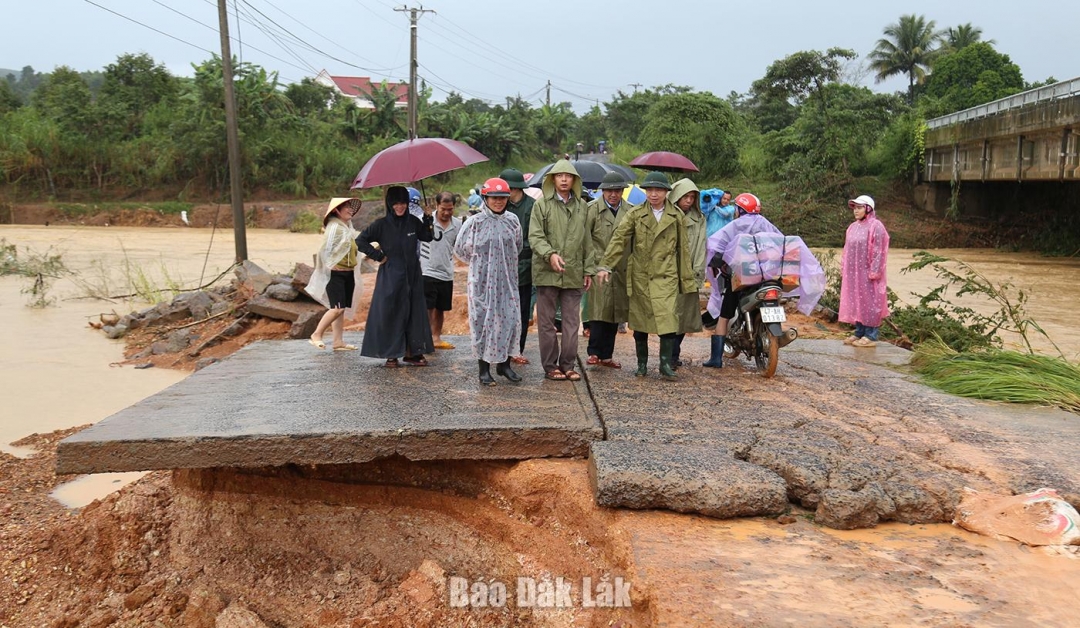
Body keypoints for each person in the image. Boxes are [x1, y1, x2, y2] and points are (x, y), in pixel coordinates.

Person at [596, 171, 695, 380]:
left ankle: (665, 364)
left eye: (658, 190)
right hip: (641, 275)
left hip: (666, 276)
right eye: (649, 190)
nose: (653, 194)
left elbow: (684, 251)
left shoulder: (676, 216)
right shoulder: (635, 214)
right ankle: (641, 364)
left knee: (668, 320)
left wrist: (686, 281)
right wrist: (605, 265)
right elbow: (619, 239)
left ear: (666, 192)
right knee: (640, 322)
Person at [454, 178, 524, 385]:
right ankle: (483, 368)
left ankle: (505, 365)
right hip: (482, 282)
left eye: (502, 198)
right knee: (482, 321)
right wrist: (480, 264)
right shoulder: (474, 223)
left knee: (509, 320)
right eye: (494, 198)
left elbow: (517, 246)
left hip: (508, 280)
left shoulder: (513, 220)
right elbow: (460, 250)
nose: (498, 202)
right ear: (485, 198)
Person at [529, 159, 594, 382]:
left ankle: (568, 364)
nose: (564, 179)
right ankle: (550, 366)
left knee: (571, 323)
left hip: (574, 271)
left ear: (574, 180)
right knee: (546, 323)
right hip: (547, 272)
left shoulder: (582, 206)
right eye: (559, 176)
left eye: (568, 176)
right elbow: (535, 236)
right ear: (552, 179)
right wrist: (550, 254)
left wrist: (588, 269)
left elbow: (587, 241)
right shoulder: (542, 205)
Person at [356, 185, 435, 367]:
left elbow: (427, 237)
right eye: (396, 204)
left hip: (413, 274)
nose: (400, 207)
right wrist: (378, 256)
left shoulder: (413, 222)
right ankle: (391, 354)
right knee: (392, 311)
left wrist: (428, 218)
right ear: (390, 204)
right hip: (391, 275)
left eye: (403, 203)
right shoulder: (381, 225)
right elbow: (360, 241)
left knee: (414, 312)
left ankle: (413, 353)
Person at [702, 193, 782, 368]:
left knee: (724, 315)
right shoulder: (767, 224)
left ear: (739, 210)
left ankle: (716, 359)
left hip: (741, 280)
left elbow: (716, 246)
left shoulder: (735, 225)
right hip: (766, 278)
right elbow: (780, 245)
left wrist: (718, 262)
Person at [584, 172, 631, 368]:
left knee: (615, 312)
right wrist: (589, 265)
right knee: (598, 310)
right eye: (610, 191)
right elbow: (585, 238)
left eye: (617, 191)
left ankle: (607, 355)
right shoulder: (592, 209)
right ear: (603, 191)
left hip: (621, 267)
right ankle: (593, 351)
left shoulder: (630, 211)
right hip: (598, 264)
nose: (613, 195)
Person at [306, 197, 364, 351]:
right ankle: (316, 334)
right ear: (337, 211)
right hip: (336, 274)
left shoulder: (346, 228)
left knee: (341, 308)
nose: (350, 210)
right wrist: (330, 267)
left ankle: (338, 342)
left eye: (351, 208)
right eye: (347, 207)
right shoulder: (334, 228)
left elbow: (356, 245)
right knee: (336, 308)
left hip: (348, 273)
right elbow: (325, 250)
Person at [839, 194, 890, 347]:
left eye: (860, 207)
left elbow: (879, 250)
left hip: (868, 273)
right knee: (857, 301)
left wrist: (875, 271)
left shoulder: (876, 226)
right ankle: (859, 332)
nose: (856, 211)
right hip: (853, 273)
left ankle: (871, 335)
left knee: (871, 302)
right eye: (854, 207)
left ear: (868, 209)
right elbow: (846, 249)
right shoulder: (852, 227)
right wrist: (844, 268)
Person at [669, 178, 706, 368]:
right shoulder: (666, 215)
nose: (688, 201)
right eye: (685, 196)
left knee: (685, 318)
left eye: (692, 197)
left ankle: (673, 355)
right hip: (667, 274)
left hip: (688, 274)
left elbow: (701, 247)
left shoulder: (698, 219)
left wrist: (697, 272)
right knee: (668, 316)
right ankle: (668, 355)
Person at [501, 167, 536, 365]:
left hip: (524, 266)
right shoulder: (499, 205)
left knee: (521, 311)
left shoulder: (532, 207)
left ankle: (517, 349)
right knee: (501, 311)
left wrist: (517, 250)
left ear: (516, 189)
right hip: (502, 268)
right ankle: (501, 348)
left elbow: (534, 237)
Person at [421, 191, 461, 351]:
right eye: (443, 209)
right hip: (427, 270)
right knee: (427, 307)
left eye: (450, 209)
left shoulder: (458, 225)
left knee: (440, 308)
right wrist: (425, 219)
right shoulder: (426, 221)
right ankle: (424, 338)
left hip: (446, 272)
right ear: (437, 205)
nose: (446, 212)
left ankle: (436, 337)